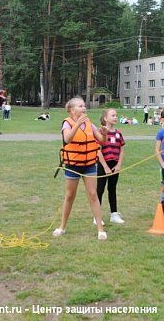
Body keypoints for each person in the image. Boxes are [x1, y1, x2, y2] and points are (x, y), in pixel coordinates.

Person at [53, 97, 107, 240]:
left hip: (89, 164)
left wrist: (104, 133)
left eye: (84, 106)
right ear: (71, 110)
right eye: (80, 106)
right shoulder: (67, 123)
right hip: (73, 165)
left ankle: (100, 230)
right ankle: (62, 227)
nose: (84, 108)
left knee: (93, 195)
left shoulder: (89, 123)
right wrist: (77, 123)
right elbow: (67, 139)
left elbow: (102, 140)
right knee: (70, 196)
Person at [96, 108, 125, 225]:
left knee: (112, 189)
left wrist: (118, 165)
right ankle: (97, 216)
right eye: (113, 115)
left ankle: (114, 214)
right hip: (103, 164)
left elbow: (122, 150)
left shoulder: (118, 133)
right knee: (100, 189)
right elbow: (98, 151)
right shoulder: (100, 132)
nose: (115, 117)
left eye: (116, 115)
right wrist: (105, 167)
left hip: (115, 165)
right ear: (105, 118)